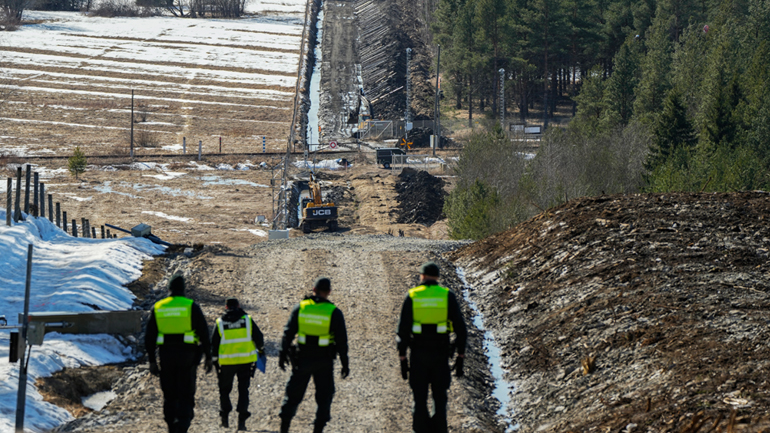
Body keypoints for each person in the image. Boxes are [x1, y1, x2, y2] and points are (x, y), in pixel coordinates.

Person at [397, 261, 467, 433]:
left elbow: (403, 330)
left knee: (419, 399)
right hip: (441, 354)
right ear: (437, 277)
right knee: (440, 398)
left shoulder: (413, 295)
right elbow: (460, 328)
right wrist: (460, 356)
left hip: (418, 354)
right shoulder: (446, 295)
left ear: (422, 276)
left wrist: (403, 357)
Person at [278, 277, 349, 433]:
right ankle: (318, 429)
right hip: (324, 360)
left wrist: (282, 354)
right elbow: (342, 341)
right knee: (324, 398)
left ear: (314, 289)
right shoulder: (334, 312)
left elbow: (288, 333)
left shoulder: (301, 308)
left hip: (302, 358)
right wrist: (345, 363)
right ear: (329, 292)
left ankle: (284, 427)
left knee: (292, 395)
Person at [145, 273, 213, 433]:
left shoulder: (159, 307)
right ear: (184, 289)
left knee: (169, 394)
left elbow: (149, 337)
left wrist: (152, 361)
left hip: (166, 356)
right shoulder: (191, 306)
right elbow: (204, 333)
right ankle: (183, 426)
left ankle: (171, 426)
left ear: (169, 289)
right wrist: (208, 357)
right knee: (186, 393)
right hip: (188, 357)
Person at [211, 298, 266, 430]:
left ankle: (225, 418)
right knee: (243, 390)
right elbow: (259, 338)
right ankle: (242, 421)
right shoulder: (247, 320)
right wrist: (260, 351)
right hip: (245, 361)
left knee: (224, 390)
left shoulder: (220, 322)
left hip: (227, 362)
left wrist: (214, 361)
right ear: (239, 306)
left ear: (226, 307)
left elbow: (214, 344)